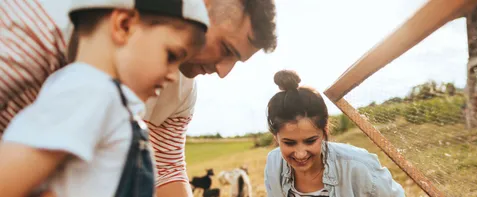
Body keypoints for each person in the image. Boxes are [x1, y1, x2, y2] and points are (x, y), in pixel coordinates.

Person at [0, 0, 277, 196]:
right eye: (227, 48)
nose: (223, 72)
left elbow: (166, 168)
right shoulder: (32, 28)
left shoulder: (173, 85)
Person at [264, 70, 405, 197]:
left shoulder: (359, 167)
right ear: (275, 136)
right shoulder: (273, 164)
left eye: (310, 141)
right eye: (289, 143)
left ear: (324, 130)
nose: (300, 154)